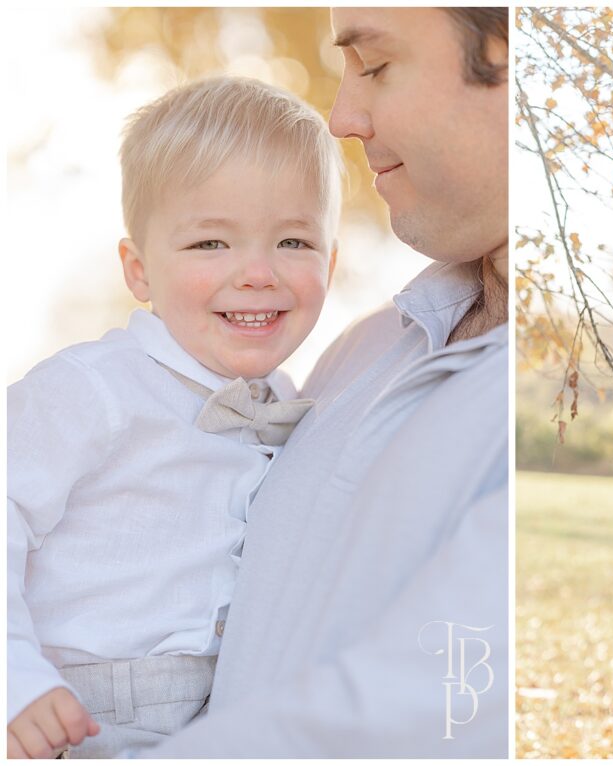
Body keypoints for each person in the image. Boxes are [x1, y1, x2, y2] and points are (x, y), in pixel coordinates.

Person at [138, 7, 509, 757]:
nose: (341, 118)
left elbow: (416, 709)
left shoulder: (531, 400)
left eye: (373, 66)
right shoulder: (364, 351)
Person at [7, 76, 341, 758]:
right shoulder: (94, 388)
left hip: (229, 710)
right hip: (81, 711)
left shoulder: (292, 398)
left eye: (294, 242)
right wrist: (15, 675)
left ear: (332, 262)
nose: (255, 272)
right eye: (209, 245)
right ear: (139, 271)